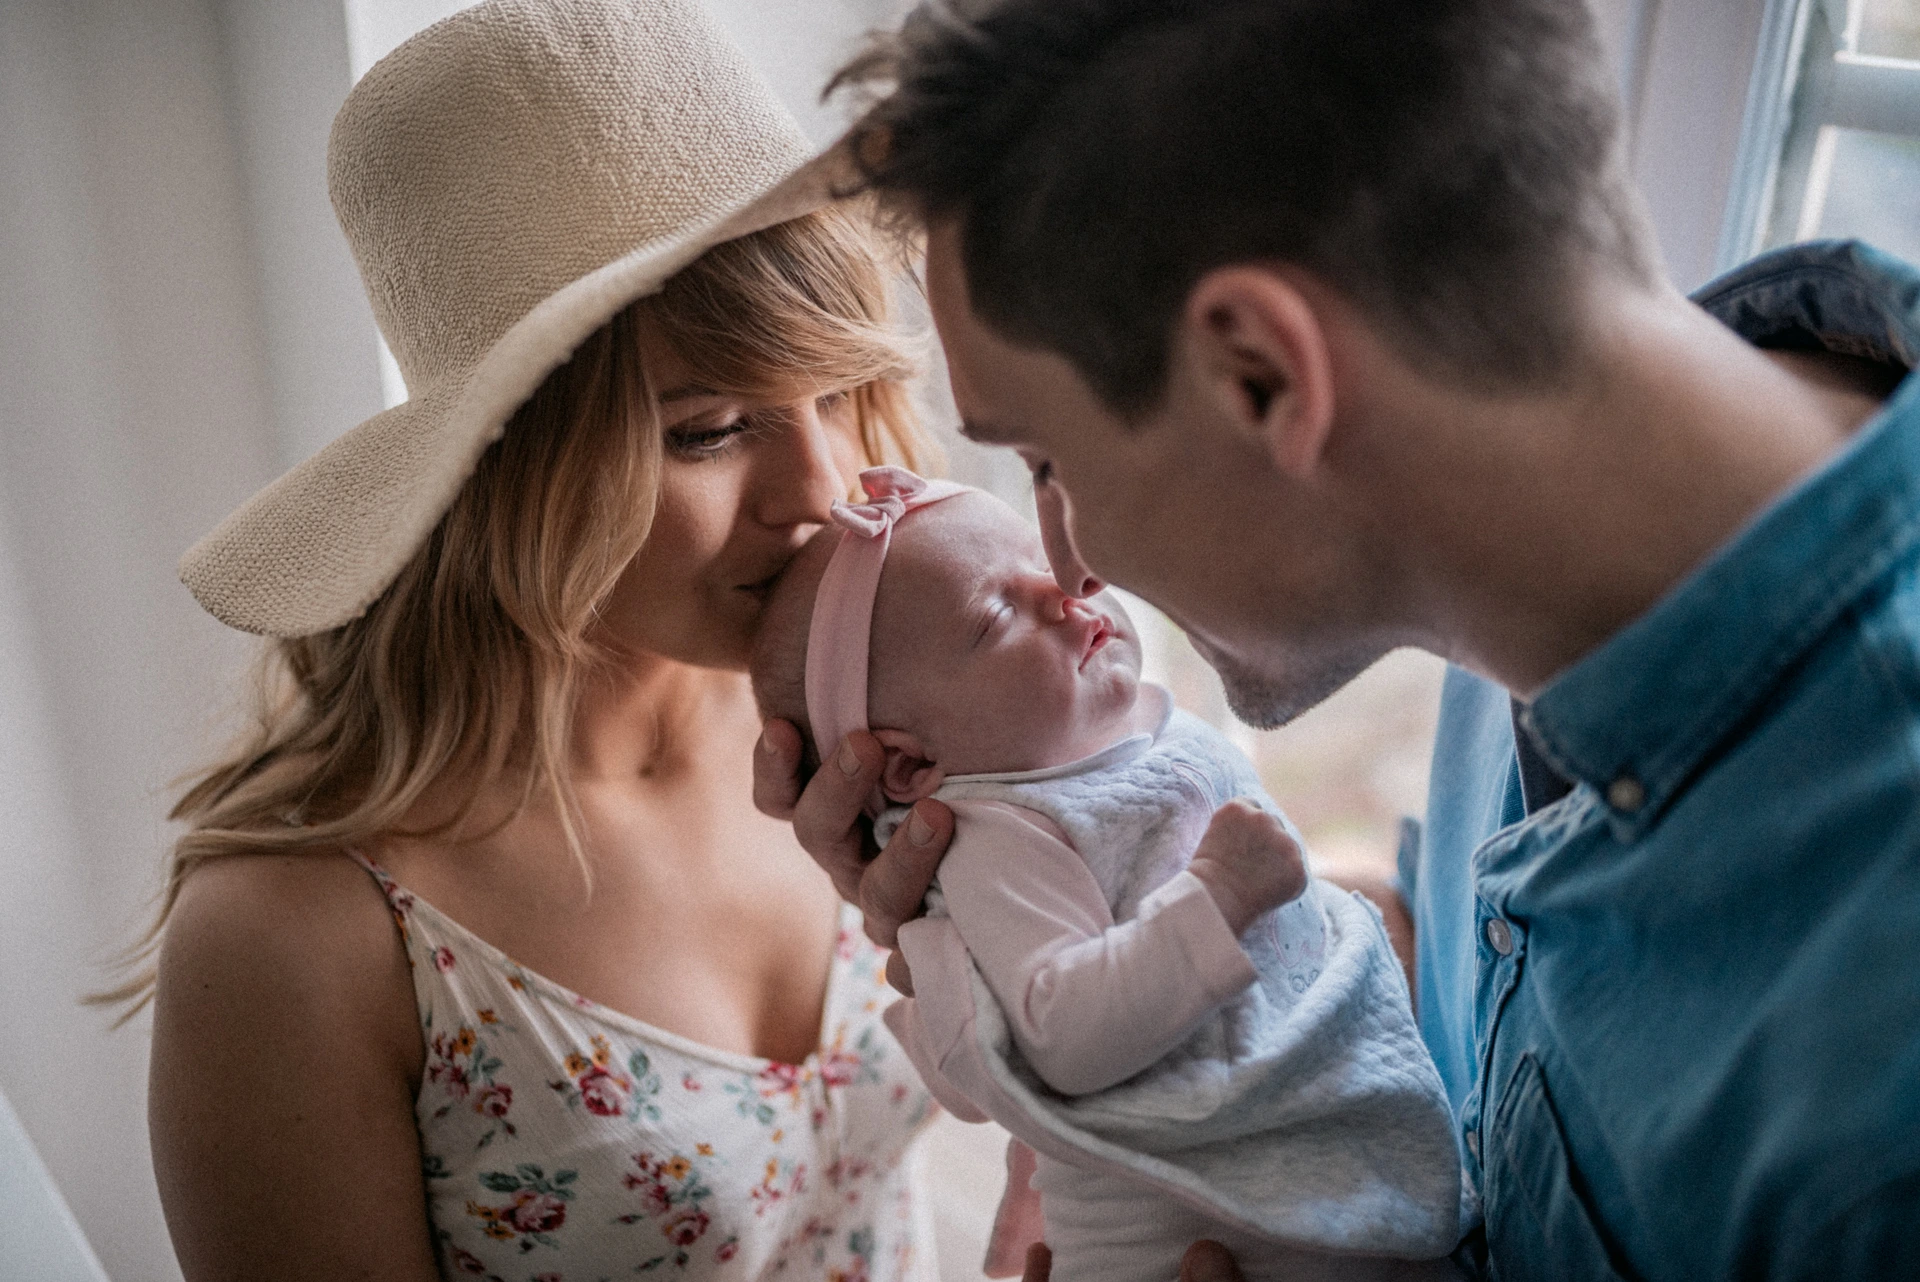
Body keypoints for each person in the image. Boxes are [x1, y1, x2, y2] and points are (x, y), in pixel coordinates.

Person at [755, 1, 1920, 1278]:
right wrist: (1143, 1086)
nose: (1067, 559)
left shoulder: (1873, 1081)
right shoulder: (1540, 572)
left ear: (1263, 374)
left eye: (1045, 458)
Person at [115, 1, 946, 1277]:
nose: (824, 488)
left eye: (838, 390)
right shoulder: (302, 936)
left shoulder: (876, 722)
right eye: (710, 427)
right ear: (501, 460)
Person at [749, 467, 1464, 1281]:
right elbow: (1061, 1033)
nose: (1063, 590)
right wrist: (1220, 894)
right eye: (994, 615)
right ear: (911, 764)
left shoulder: (1116, 752)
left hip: (1284, 1183)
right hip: (1205, 1228)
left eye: (1039, 563)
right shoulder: (999, 835)